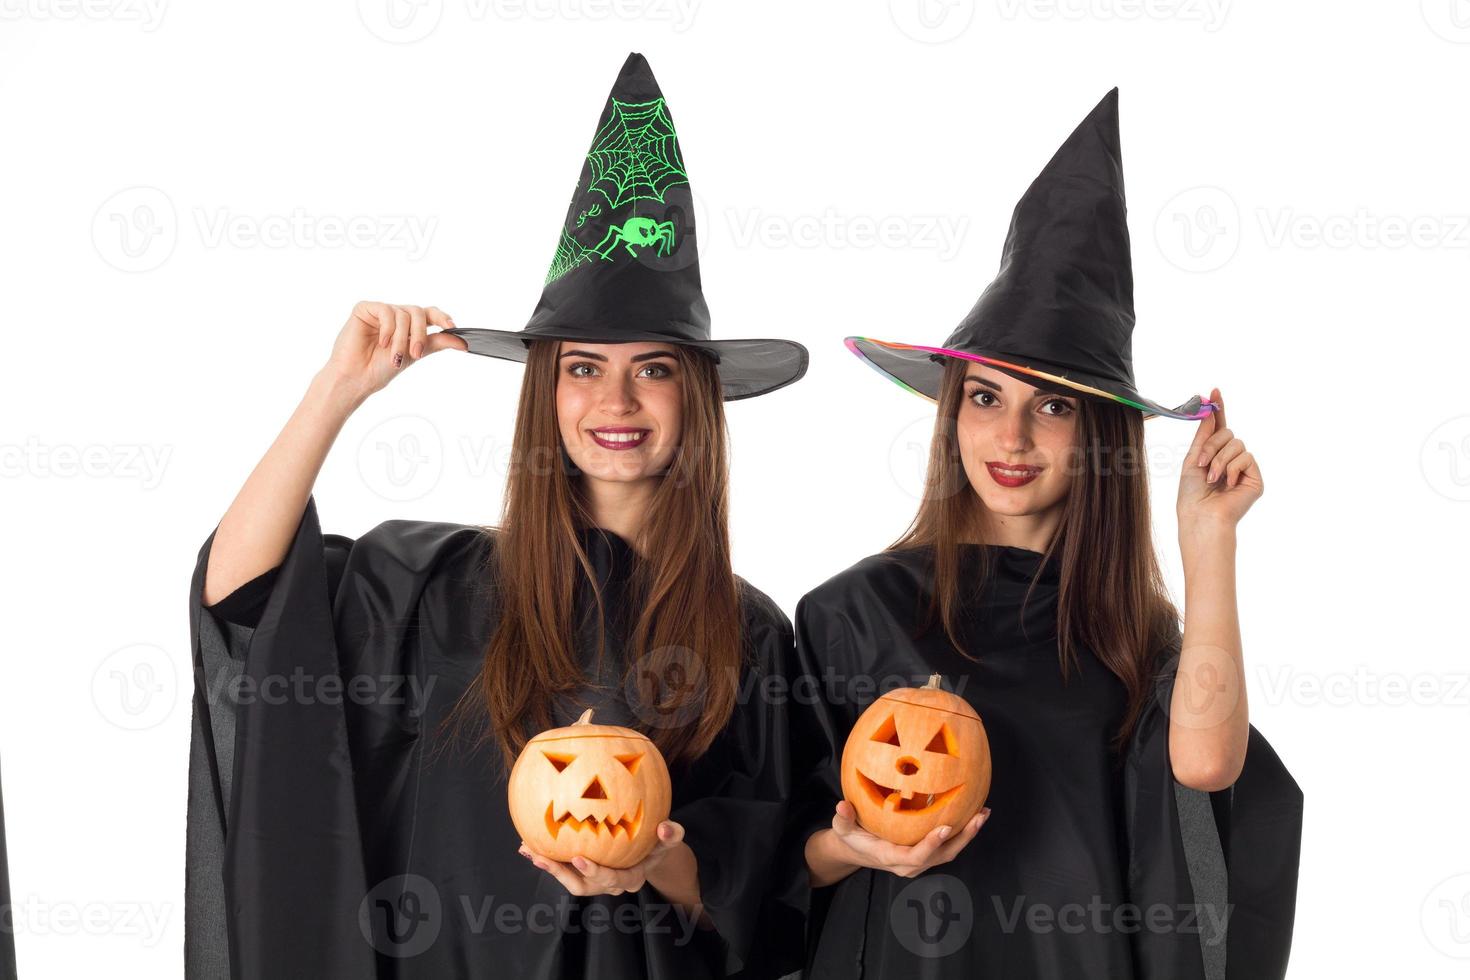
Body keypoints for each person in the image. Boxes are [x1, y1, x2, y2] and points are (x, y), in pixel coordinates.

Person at [186, 53, 809, 979]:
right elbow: (242, 599)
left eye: (655, 368)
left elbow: (767, 893)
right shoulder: (430, 583)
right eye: (583, 368)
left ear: (698, 400)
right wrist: (336, 392)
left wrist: (656, 859)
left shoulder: (748, 630)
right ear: (545, 393)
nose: (617, 401)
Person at [789, 89, 1303, 978]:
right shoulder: (853, 611)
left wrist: (1207, 538)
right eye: (985, 397)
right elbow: (777, 851)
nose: (1012, 438)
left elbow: (1209, 770)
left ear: (1100, 432)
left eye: (1052, 406)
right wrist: (853, 849)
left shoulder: (1132, 639)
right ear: (953, 414)